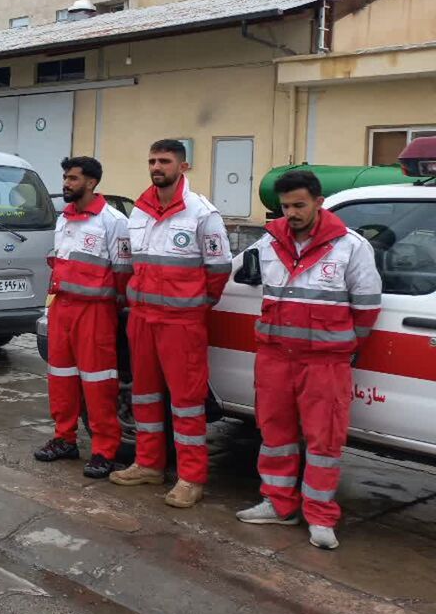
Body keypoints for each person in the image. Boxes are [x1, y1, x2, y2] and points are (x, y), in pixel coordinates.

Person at [235, 170, 381, 550]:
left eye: (299, 205)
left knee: (324, 440)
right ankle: (279, 505)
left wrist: (340, 347)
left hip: (324, 362)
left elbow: (366, 309)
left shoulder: (350, 246)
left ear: (318, 201)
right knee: (275, 434)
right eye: (285, 207)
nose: (292, 213)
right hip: (274, 357)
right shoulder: (269, 243)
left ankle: (319, 514)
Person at [109, 139, 231, 508]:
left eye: (165, 160)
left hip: (181, 322)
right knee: (144, 394)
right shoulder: (140, 210)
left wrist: (194, 304)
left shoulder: (201, 213)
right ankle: (148, 463)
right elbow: (130, 262)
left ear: (184, 166)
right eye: (152, 160)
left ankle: (191, 477)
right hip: (142, 318)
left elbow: (219, 270)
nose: (157, 166)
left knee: (186, 401)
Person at [34, 156, 131, 479]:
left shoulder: (112, 221)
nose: (66, 184)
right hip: (61, 308)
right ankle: (64, 439)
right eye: (65, 177)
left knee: (98, 383)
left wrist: (108, 306)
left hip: (95, 312)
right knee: (60, 379)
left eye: (73, 178)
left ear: (91, 183)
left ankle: (105, 450)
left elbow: (123, 273)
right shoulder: (65, 219)